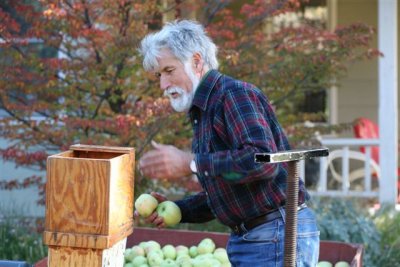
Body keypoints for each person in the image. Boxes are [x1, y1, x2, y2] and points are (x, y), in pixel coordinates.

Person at [138, 19, 319, 267]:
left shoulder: (232, 94)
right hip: (258, 237)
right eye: (159, 75)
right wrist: (178, 209)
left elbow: (262, 161)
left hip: (275, 235)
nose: (163, 84)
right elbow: (231, 191)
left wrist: (189, 162)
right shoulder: (204, 111)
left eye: (169, 71)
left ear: (197, 61)